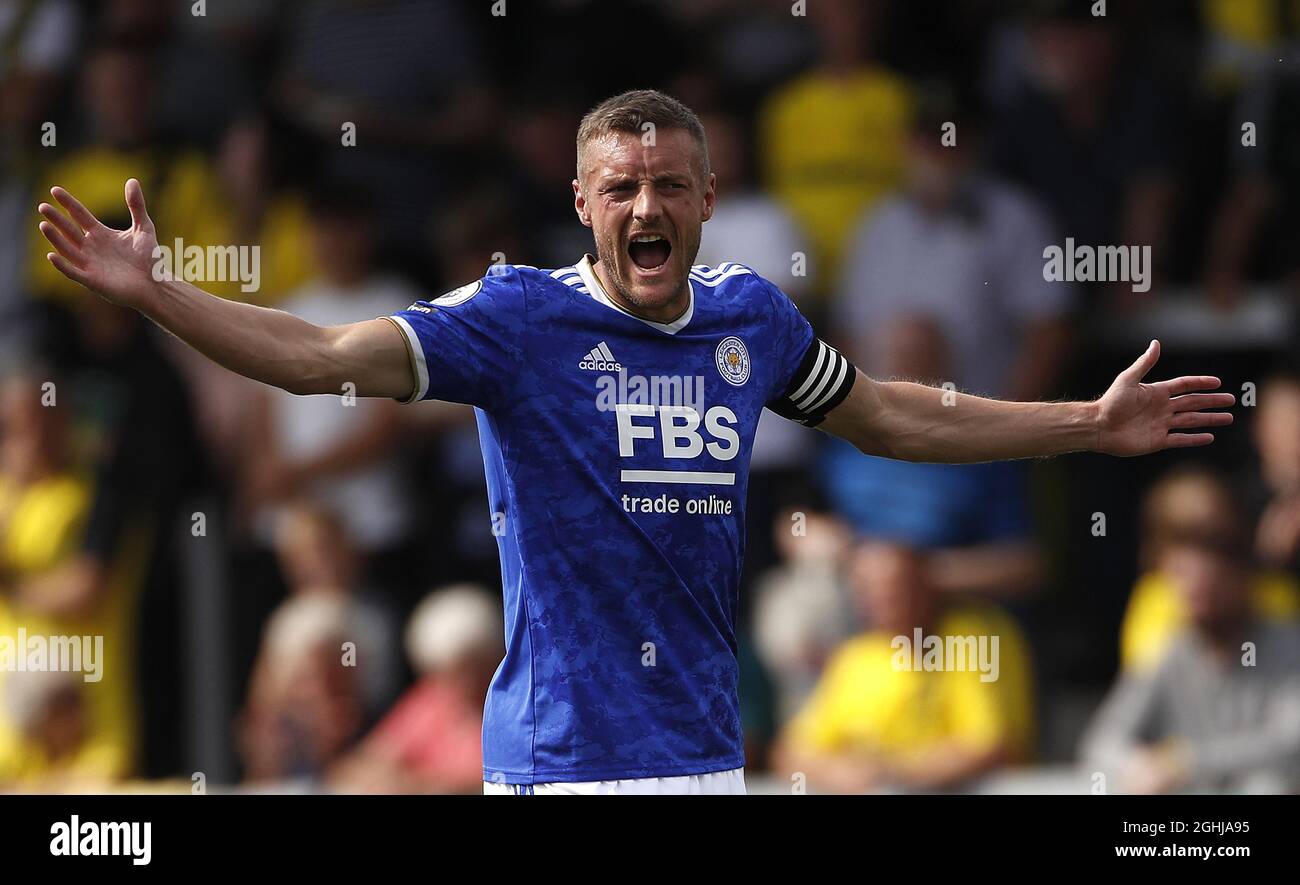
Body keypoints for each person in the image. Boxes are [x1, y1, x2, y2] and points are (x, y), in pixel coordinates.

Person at [36, 89, 1234, 795]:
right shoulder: (515, 319)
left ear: (708, 201)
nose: (645, 206)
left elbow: (891, 412)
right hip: (556, 759)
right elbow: (318, 354)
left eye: (668, 184)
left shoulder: (751, 319)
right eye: (620, 187)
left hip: (702, 751)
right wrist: (164, 297)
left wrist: (1084, 421)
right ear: (582, 204)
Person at [772, 541, 1034, 793]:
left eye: (895, 587)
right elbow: (790, 754)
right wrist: (841, 773)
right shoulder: (856, 657)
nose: (882, 599)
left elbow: (992, 747)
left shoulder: (968, 639)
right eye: (869, 589)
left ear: (924, 585)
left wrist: (893, 774)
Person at [1082, 524, 1300, 793]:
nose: (1194, 594)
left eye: (1210, 585)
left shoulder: (1290, 646)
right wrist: (1137, 765)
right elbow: (1103, 739)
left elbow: (1291, 741)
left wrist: (1189, 760)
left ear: (1241, 579)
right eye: (1184, 581)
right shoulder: (1169, 652)